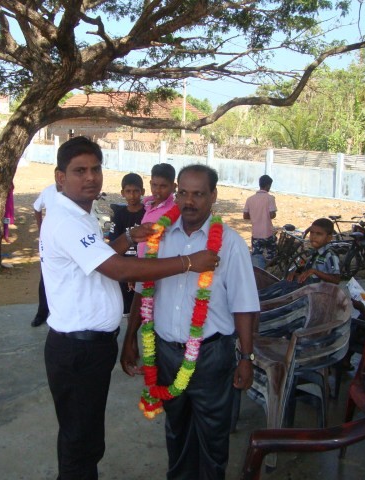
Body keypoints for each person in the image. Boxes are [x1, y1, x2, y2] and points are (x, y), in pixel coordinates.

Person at [40, 137, 218, 480]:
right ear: (60, 177)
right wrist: (187, 262)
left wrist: (127, 238)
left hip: (87, 347)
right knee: (80, 443)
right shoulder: (66, 220)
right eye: (80, 171)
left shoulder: (80, 212)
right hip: (77, 350)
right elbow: (119, 270)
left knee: (85, 438)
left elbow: (96, 258)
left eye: (95, 169)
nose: (91, 177)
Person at [120, 164, 259, 480]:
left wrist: (246, 357)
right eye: (183, 193)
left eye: (198, 194)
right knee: (177, 430)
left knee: (213, 436)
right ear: (176, 193)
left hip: (211, 356)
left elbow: (244, 305)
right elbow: (142, 289)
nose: (189, 201)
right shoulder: (158, 238)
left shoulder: (230, 244)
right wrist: (130, 339)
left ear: (213, 196)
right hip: (166, 353)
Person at [108, 173, 145, 315]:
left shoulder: (147, 213)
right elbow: (114, 243)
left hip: (143, 266)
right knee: (127, 309)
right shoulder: (119, 215)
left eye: (136, 191)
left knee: (144, 306)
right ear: (122, 193)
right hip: (124, 267)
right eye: (128, 191)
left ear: (142, 192)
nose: (132, 195)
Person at [31, 172, 62, 327]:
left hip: (68, 239)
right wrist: (40, 227)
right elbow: (36, 207)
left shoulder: (74, 192)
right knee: (46, 276)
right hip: (49, 241)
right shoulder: (48, 191)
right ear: (58, 176)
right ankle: (42, 313)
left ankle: (63, 314)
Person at [137, 163, 177, 258]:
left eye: (163, 186)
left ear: (173, 186)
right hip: (141, 260)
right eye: (154, 185)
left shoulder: (174, 211)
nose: (157, 190)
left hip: (158, 262)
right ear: (150, 183)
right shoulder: (147, 205)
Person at [243, 174, 277, 266]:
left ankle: (259, 271)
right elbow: (272, 215)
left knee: (257, 257)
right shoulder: (270, 198)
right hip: (268, 233)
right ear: (268, 185)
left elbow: (245, 216)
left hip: (256, 234)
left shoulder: (250, 199)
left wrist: (255, 215)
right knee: (271, 256)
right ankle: (269, 269)